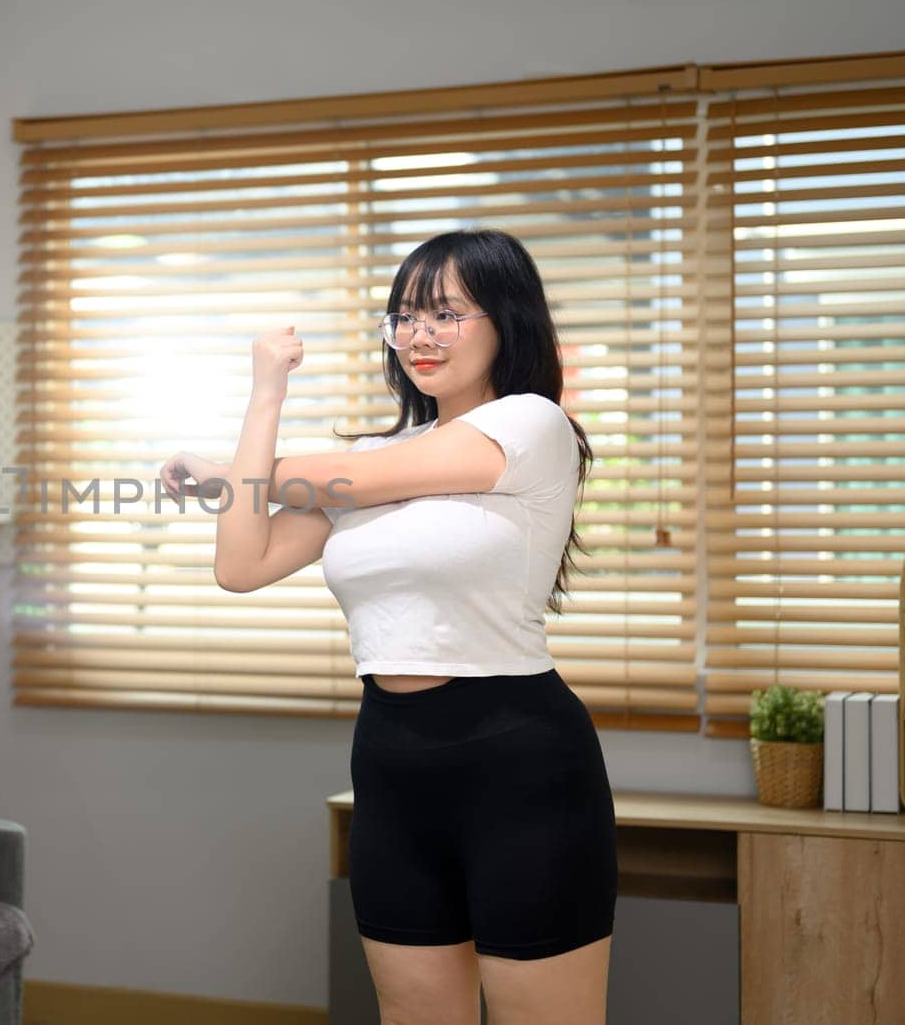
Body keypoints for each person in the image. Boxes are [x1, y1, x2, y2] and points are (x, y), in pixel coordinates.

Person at [160, 228, 617, 1025]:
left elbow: (303, 477)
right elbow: (241, 562)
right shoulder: (381, 456)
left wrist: (223, 471)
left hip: (520, 763)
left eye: (445, 314)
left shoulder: (530, 425)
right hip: (393, 765)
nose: (419, 336)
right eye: (404, 317)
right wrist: (265, 392)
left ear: (507, 319)